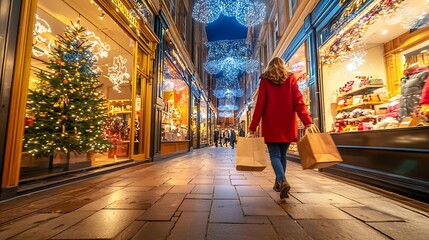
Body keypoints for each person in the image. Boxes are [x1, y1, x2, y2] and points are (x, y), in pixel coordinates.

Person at [249, 57, 312, 199]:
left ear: (269, 67)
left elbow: (260, 105)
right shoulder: (291, 79)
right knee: (282, 155)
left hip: (271, 124)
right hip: (287, 123)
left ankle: (282, 180)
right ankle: (279, 181)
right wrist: (307, 121)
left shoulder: (265, 80)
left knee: (274, 155)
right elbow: (298, 102)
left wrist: (253, 126)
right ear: (283, 66)